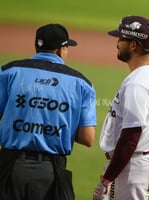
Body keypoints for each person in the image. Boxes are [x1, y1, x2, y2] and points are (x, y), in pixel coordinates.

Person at [0, 23, 96, 200]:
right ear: (61, 50)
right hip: (50, 171)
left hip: (8, 166)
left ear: (37, 46)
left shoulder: (9, 72)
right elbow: (87, 138)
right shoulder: (82, 84)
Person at [93, 15, 149, 200]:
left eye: (121, 39)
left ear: (133, 45)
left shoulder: (137, 85)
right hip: (139, 163)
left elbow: (130, 137)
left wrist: (106, 179)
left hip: (132, 168)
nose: (117, 43)